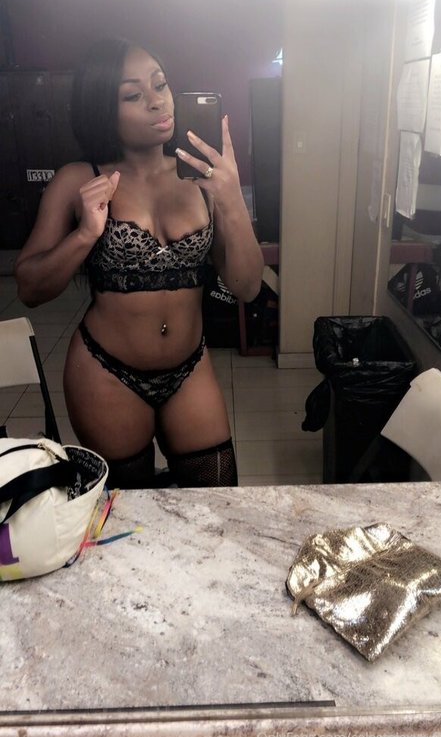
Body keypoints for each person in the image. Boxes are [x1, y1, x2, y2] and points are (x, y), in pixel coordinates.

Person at [15, 37, 264, 489]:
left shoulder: (203, 179)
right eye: (133, 95)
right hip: (105, 372)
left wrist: (232, 201)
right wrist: (84, 234)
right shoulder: (78, 179)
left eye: (160, 84)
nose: (157, 101)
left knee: (218, 497)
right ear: (102, 109)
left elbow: (247, 287)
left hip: (190, 367)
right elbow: (29, 288)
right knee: (129, 511)